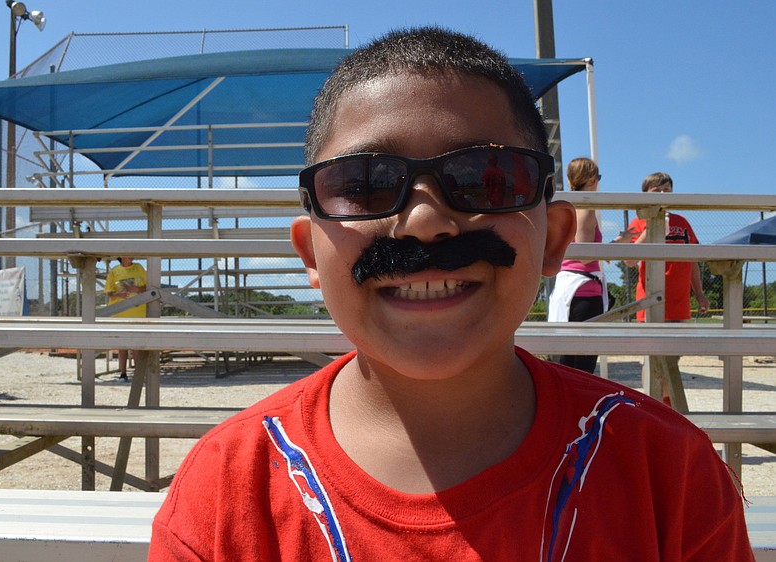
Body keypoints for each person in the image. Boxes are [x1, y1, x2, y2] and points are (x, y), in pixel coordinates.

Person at [149, 27, 752, 560]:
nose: (423, 222)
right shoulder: (226, 493)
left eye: (486, 179)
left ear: (555, 240)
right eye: (363, 185)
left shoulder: (666, 474)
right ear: (310, 252)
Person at [619, 172, 710, 403]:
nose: (662, 194)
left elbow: (694, 262)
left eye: (666, 190)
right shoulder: (639, 223)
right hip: (649, 301)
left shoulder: (682, 222)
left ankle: (665, 406)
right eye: (656, 190)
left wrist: (699, 294)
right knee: (652, 359)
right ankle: (653, 403)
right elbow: (629, 261)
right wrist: (650, 230)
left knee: (672, 360)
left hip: (678, 303)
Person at [547, 157, 607, 373]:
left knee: (567, 364)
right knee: (582, 368)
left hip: (570, 289)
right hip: (584, 293)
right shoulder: (586, 208)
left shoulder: (570, 207)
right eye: (598, 177)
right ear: (591, 179)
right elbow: (584, 254)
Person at [104, 257, 147, 381]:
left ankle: (138, 375)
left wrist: (137, 289)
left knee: (136, 346)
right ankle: (123, 374)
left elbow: (149, 287)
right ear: (121, 257)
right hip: (120, 314)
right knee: (122, 346)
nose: (131, 256)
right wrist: (119, 295)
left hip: (138, 313)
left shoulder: (139, 268)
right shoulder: (114, 271)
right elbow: (108, 292)